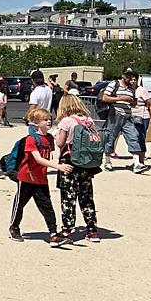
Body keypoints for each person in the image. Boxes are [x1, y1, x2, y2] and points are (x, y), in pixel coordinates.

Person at [9, 108, 72, 246]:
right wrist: (59, 167)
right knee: (19, 204)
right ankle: (14, 227)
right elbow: (38, 159)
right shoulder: (31, 139)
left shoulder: (49, 138)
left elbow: (51, 153)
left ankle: (53, 234)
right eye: (45, 119)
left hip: (41, 178)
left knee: (47, 206)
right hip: (26, 178)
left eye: (49, 118)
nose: (49, 121)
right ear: (36, 123)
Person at [54, 94, 102, 244]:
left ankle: (67, 229)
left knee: (68, 196)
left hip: (70, 160)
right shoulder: (88, 120)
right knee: (86, 197)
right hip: (87, 162)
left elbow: (60, 143)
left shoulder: (67, 121)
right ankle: (92, 229)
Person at [100, 68, 146, 172]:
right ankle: (107, 162)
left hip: (128, 116)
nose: (129, 77)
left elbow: (133, 104)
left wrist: (133, 102)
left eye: (131, 75)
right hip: (115, 115)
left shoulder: (131, 88)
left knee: (134, 136)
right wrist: (121, 98)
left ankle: (137, 163)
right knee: (110, 137)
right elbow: (105, 98)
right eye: (127, 75)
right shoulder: (114, 84)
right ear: (123, 75)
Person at [128, 72, 151, 173]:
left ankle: (141, 161)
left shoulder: (142, 90)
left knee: (141, 137)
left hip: (143, 117)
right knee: (134, 137)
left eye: (135, 79)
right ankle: (137, 161)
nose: (133, 81)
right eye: (131, 79)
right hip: (131, 116)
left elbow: (150, 104)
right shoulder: (127, 90)